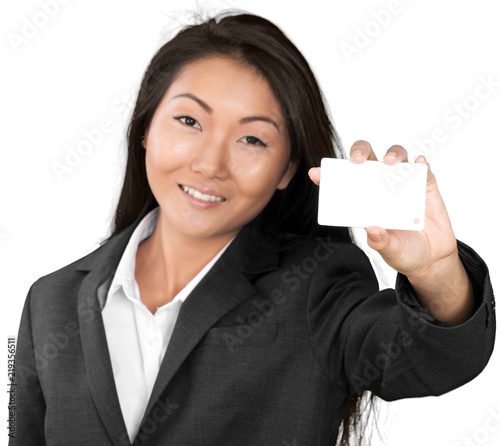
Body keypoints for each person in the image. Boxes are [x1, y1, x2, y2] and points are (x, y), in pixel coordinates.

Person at [10, 11, 495, 446]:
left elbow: (432, 360)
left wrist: (437, 272)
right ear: (145, 128)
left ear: (286, 170)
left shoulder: (315, 286)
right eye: (188, 120)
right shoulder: (49, 303)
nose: (209, 163)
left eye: (251, 138)